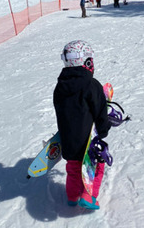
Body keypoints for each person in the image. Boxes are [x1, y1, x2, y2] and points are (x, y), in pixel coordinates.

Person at [53, 40, 111, 210]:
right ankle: (89, 196)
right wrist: (103, 129)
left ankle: (72, 197)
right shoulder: (92, 85)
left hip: (69, 139)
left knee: (73, 169)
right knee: (95, 167)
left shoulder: (60, 87)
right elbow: (100, 111)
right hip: (88, 141)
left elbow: (60, 111)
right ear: (87, 61)